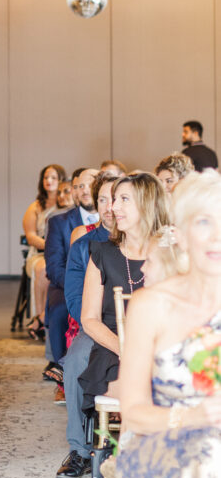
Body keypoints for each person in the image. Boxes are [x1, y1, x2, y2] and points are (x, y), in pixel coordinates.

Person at [106, 170, 221, 478]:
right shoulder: (151, 305)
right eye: (203, 222)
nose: (214, 236)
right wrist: (195, 417)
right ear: (182, 231)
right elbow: (133, 412)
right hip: (167, 469)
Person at [79, 172, 169, 410]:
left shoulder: (171, 253)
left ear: (147, 203)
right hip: (114, 347)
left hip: (161, 347)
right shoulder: (102, 253)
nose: (113, 207)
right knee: (135, 386)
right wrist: (126, 348)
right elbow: (89, 319)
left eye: (123, 199)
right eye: (112, 199)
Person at [56, 171, 117, 478]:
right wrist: (101, 330)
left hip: (137, 325)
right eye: (102, 200)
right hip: (94, 325)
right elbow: (76, 301)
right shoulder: (84, 245)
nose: (108, 207)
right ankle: (80, 449)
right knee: (76, 360)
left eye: (115, 199)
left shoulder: (142, 240)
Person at [44, 167, 98, 377]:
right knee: (59, 310)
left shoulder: (114, 220)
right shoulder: (59, 222)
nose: (84, 191)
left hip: (104, 285)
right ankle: (62, 374)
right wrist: (79, 287)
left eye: (89, 185)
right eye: (79, 186)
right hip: (68, 284)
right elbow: (54, 266)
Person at [22, 164, 66, 339]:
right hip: (40, 254)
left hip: (64, 254)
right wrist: (51, 246)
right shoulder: (35, 207)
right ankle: (42, 318)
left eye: (53, 177)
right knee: (43, 269)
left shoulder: (67, 204)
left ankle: (53, 318)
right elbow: (31, 236)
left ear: (61, 180)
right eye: (46, 177)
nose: (49, 181)